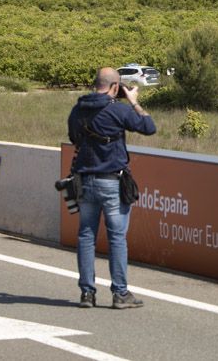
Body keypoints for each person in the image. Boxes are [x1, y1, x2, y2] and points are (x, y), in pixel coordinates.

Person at [68, 67, 156, 309]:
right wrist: (135, 102)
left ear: (95, 83)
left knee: (86, 236)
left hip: (85, 181)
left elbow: (74, 138)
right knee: (117, 238)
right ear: (116, 87)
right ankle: (120, 293)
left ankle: (87, 293)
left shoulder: (77, 110)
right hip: (112, 182)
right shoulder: (118, 109)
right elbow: (149, 127)